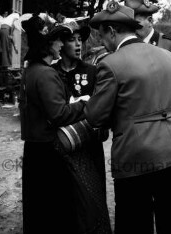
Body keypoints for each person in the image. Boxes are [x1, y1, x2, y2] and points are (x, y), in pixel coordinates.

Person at [85, 0, 171, 234]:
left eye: (102, 37)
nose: (103, 44)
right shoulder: (167, 56)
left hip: (136, 157)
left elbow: (96, 117)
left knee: (134, 223)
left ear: (112, 32)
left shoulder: (110, 64)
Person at [19, 13, 89, 234]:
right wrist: (85, 103)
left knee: (37, 211)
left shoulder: (30, 71)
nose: (61, 44)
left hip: (33, 150)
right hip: (50, 152)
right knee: (56, 212)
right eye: (58, 39)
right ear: (46, 44)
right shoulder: (46, 74)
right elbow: (58, 114)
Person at [52, 18, 111, 233]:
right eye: (71, 40)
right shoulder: (52, 72)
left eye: (80, 40)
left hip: (87, 144)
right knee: (63, 196)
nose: (78, 44)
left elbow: (101, 108)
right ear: (60, 44)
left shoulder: (92, 71)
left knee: (91, 197)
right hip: (60, 145)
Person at [125, 0, 171, 125]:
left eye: (136, 25)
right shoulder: (128, 47)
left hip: (166, 123)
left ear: (150, 21)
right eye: (130, 26)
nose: (132, 30)